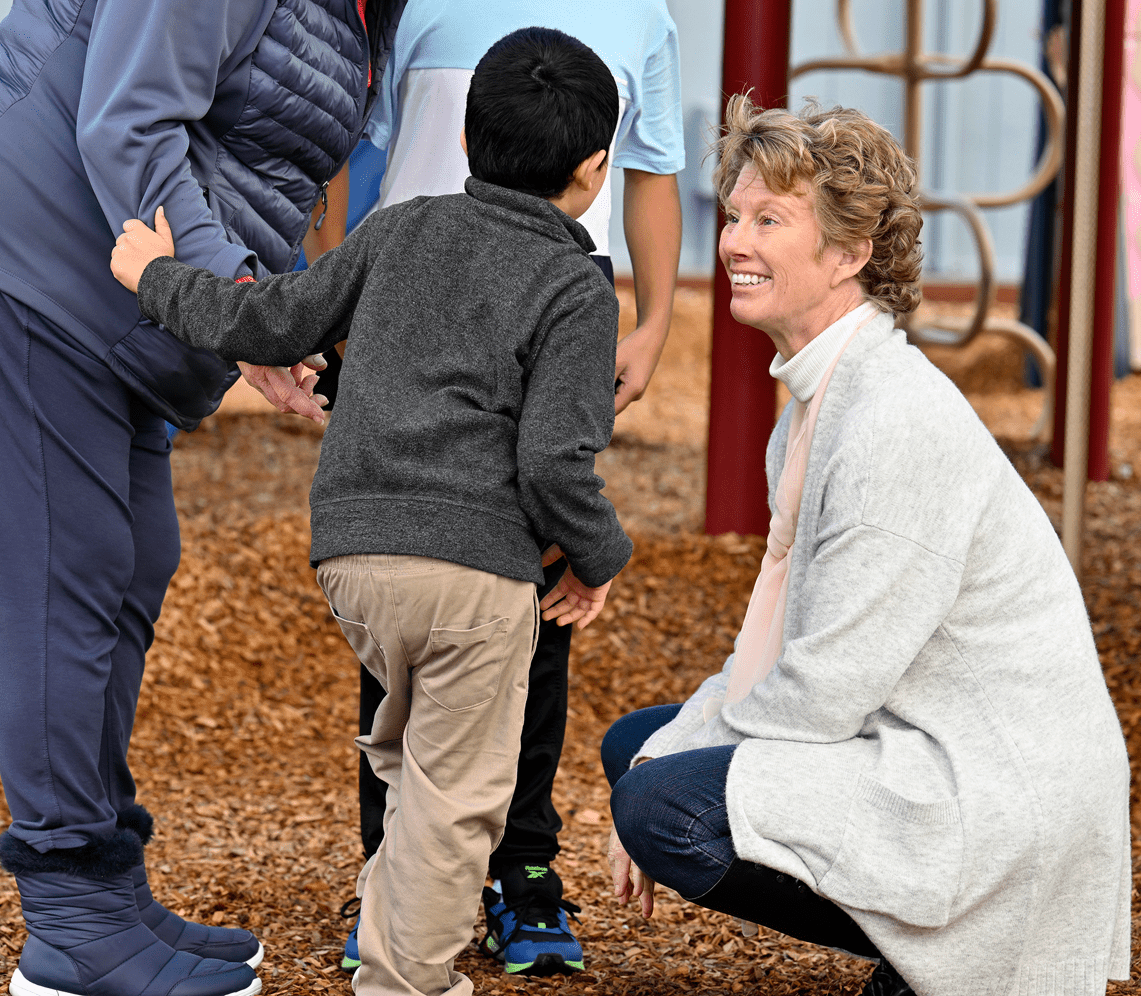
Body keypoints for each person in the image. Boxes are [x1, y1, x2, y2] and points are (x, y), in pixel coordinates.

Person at [110, 27, 634, 996]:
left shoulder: (400, 230)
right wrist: (601, 557)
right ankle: (406, 983)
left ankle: (391, 938)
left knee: (409, 761)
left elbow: (270, 320)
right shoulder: (576, 286)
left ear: (466, 141)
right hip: (474, 577)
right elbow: (553, 464)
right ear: (595, 169)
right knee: (458, 798)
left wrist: (155, 276)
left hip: (354, 562)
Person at [601, 95, 1131, 996]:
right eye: (734, 215)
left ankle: (946, 957)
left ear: (850, 254)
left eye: (770, 220)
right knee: (639, 749)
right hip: (916, 740)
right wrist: (667, 751)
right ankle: (917, 948)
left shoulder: (890, 421)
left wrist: (656, 782)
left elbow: (824, 691)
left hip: (996, 792)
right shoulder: (822, 404)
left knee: (660, 804)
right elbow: (782, 650)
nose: (734, 242)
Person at [0, 2, 405, 995]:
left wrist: (260, 304)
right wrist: (238, 300)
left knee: (132, 563)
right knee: (68, 582)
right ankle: (72, 923)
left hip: (130, 310)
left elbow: (255, 161)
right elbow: (129, 120)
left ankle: (106, 886)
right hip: (44, 266)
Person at [339, 1, 684, 976]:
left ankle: (522, 865)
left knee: (538, 581)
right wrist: (336, 294)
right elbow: (349, 149)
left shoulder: (641, 14)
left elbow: (652, 167)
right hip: (418, 284)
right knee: (417, 572)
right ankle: (390, 872)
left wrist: (655, 321)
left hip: (557, 287)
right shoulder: (408, 4)